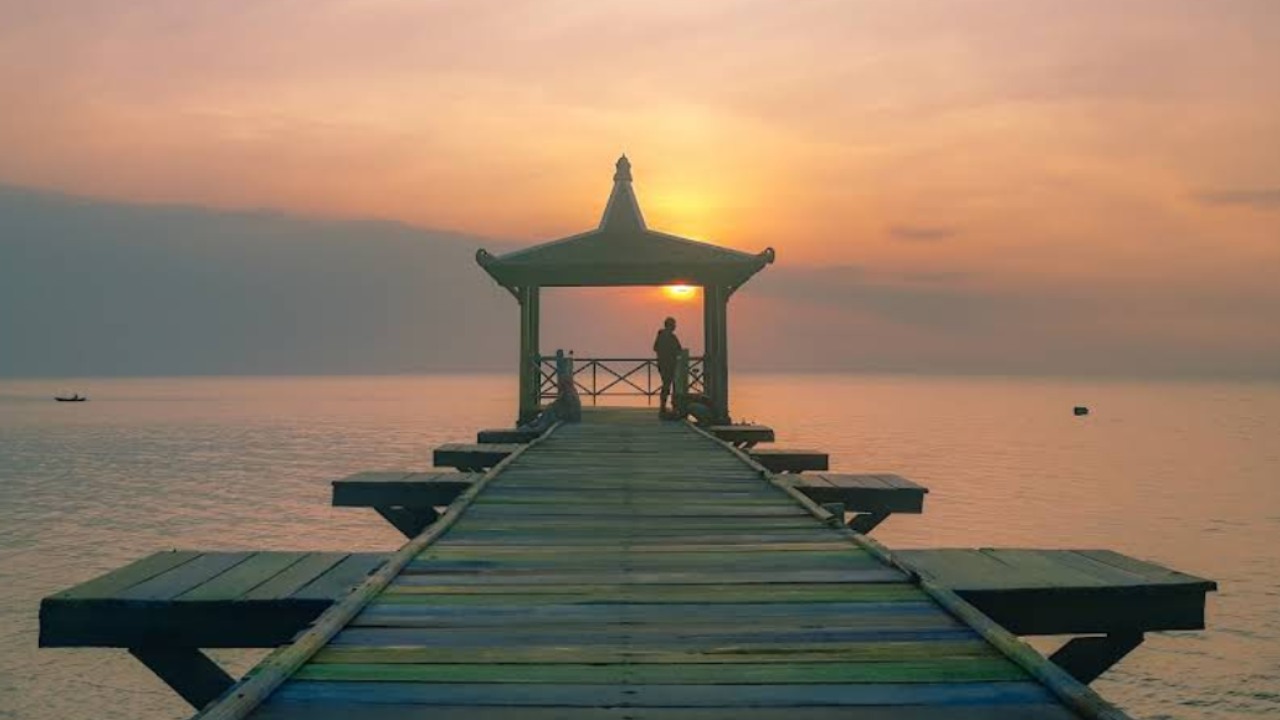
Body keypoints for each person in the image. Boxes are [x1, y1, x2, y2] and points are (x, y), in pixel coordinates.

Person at [653, 316, 683, 416]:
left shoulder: (661, 336)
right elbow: (679, 349)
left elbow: (655, 348)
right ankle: (671, 406)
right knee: (670, 385)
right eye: (674, 324)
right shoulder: (671, 337)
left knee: (666, 385)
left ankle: (664, 406)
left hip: (662, 364)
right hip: (669, 364)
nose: (675, 326)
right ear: (670, 325)